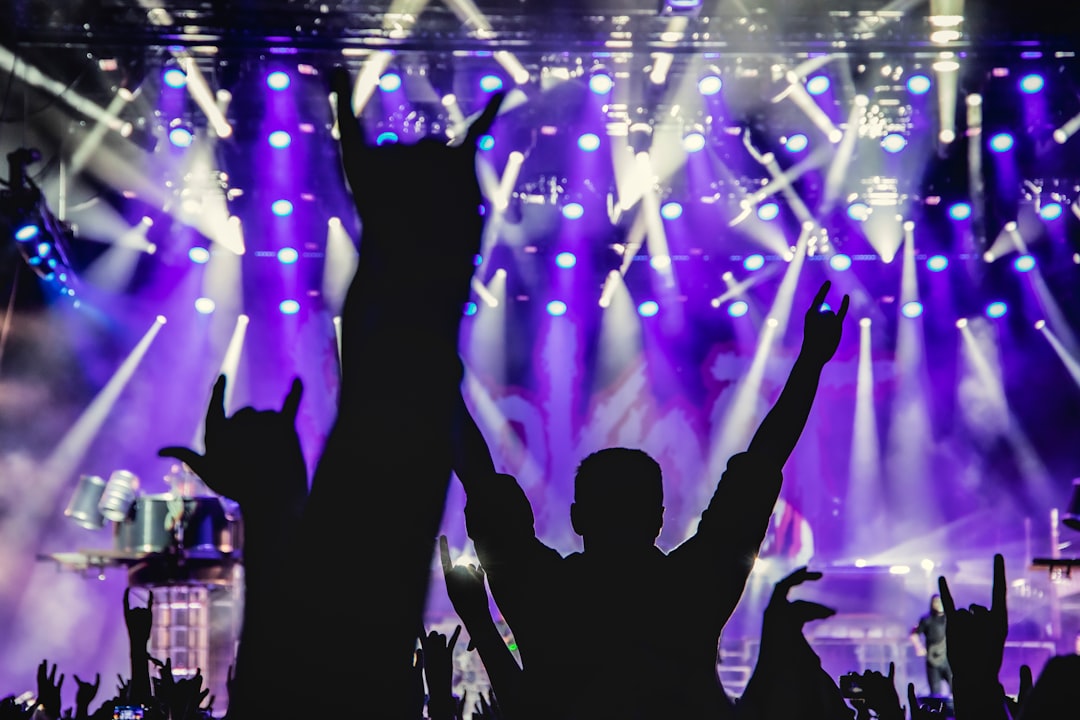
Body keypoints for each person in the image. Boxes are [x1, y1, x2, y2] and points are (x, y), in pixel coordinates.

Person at [452, 281, 849, 719]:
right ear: (658, 518)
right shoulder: (695, 584)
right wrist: (811, 360)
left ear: (578, 517)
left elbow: (479, 478)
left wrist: (434, 376)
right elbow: (763, 461)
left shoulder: (541, 587)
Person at [910, 594, 953, 699]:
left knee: (955, 688)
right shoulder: (927, 619)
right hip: (933, 660)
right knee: (935, 693)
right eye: (935, 602)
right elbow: (914, 634)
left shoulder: (950, 617)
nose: (938, 604)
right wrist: (919, 647)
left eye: (940, 601)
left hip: (949, 660)